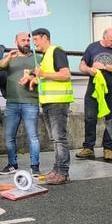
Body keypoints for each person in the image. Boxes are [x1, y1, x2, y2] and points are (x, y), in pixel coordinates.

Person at [30, 28, 74, 185]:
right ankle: (57, 169)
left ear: (45, 38)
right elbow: (47, 78)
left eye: (35, 40)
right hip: (48, 101)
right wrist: (34, 80)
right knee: (55, 139)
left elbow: (65, 74)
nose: (33, 43)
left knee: (59, 138)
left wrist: (42, 75)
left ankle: (63, 172)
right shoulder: (45, 56)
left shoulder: (56, 52)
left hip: (58, 101)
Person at [79, 28, 112, 161]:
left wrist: (104, 66)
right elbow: (82, 66)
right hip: (94, 90)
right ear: (104, 37)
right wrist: (90, 70)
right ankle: (88, 147)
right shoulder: (92, 47)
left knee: (111, 119)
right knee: (90, 117)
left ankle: (108, 148)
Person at [0, 32, 41, 175]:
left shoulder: (36, 57)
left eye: (28, 40)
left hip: (31, 102)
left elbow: (43, 75)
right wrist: (9, 56)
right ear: (16, 42)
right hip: (12, 103)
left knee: (33, 137)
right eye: (23, 40)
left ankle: (35, 167)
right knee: (9, 136)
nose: (26, 42)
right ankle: (12, 164)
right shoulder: (10, 58)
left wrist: (34, 77)